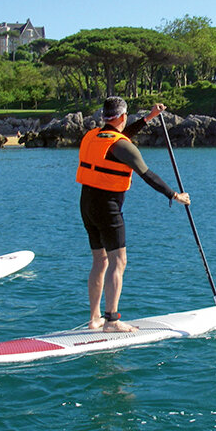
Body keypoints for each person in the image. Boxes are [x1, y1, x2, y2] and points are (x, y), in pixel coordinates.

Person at [77, 97, 190, 332]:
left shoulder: (92, 136)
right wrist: (174, 195)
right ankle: (112, 321)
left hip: (87, 204)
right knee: (119, 261)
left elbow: (120, 135)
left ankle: (95, 318)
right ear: (122, 116)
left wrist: (149, 118)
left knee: (100, 261)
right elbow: (147, 174)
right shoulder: (123, 146)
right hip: (107, 207)